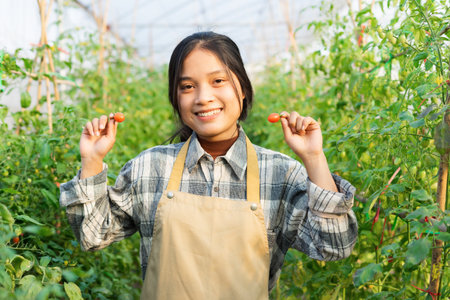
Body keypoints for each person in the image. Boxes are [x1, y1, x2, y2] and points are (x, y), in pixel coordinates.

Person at [60, 31, 358, 299]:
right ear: (176, 99)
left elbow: (334, 246)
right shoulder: (150, 167)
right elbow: (93, 235)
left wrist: (314, 158)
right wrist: (92, 160)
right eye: (188, 86)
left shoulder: (279, 173)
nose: (203, 97)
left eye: (218, 81)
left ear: (242, 88)